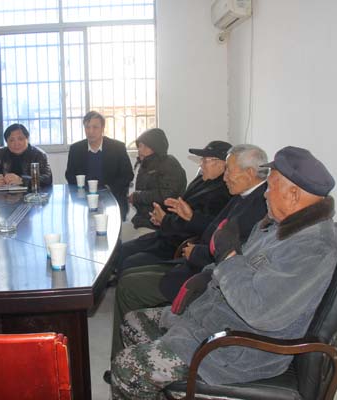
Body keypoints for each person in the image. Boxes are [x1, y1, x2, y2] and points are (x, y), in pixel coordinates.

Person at [110, 146, 337, 399]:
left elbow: (259, 311)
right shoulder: (276, 226)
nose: (266, 193)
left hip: (235, 350)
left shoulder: (313, 247)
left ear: (294, 194)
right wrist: (205, 276)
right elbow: (241, 265)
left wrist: (228, 256)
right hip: (212, 321)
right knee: (132, 323)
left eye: (271, 186)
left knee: (126, 367)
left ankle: (148, 381)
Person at [111, 144, 269, 358]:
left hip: (205, 278)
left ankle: (124, 356)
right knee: (129, 273)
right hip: (193, 262)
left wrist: (196, 253)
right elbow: (214, 229)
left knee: (129, 286)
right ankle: (132, 352)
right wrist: (190, 217)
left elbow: (235, 256)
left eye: (229, 171)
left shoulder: (259, 206)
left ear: (249, 173)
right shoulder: (242, 196)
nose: (225, 177)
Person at [118, 140, 232, 271]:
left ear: (221, 164)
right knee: (123, 249)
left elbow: (202, 227)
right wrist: (163, 216)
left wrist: (165, 220)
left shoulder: (223, 193)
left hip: (176, 246)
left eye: (205, 161)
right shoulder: (202, 180)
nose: (201, 164)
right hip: (166, 235)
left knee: (129, 262)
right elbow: (182, 209)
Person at [65, 111, 134, 220]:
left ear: (102, 128)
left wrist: (109, 188)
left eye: (95, 127)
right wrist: (83, 188)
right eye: (87, 127)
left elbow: (128, 175)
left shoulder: (117, 147)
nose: (90, 131)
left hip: (112, 200)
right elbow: (69, 175)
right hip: (84, 201)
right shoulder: (76, 149)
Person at [122, 128, 186, 241]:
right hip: (142, 220)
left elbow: (167, 196)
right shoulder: (146, 164)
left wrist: (137, 197)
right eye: (139, 146)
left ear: (157, 147)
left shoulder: (170, 164)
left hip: (158, 224)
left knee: (127, 248)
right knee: (115, 236)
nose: (140, 150)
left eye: (145, 147)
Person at [0, 123, 52, 189]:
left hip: (31, 194)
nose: (16, 143)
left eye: (20, 139)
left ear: (27, 139)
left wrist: (22, 180)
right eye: (11, 140)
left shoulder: (38, 154)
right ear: (7, 142)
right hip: (4, 195)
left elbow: (48, 179)